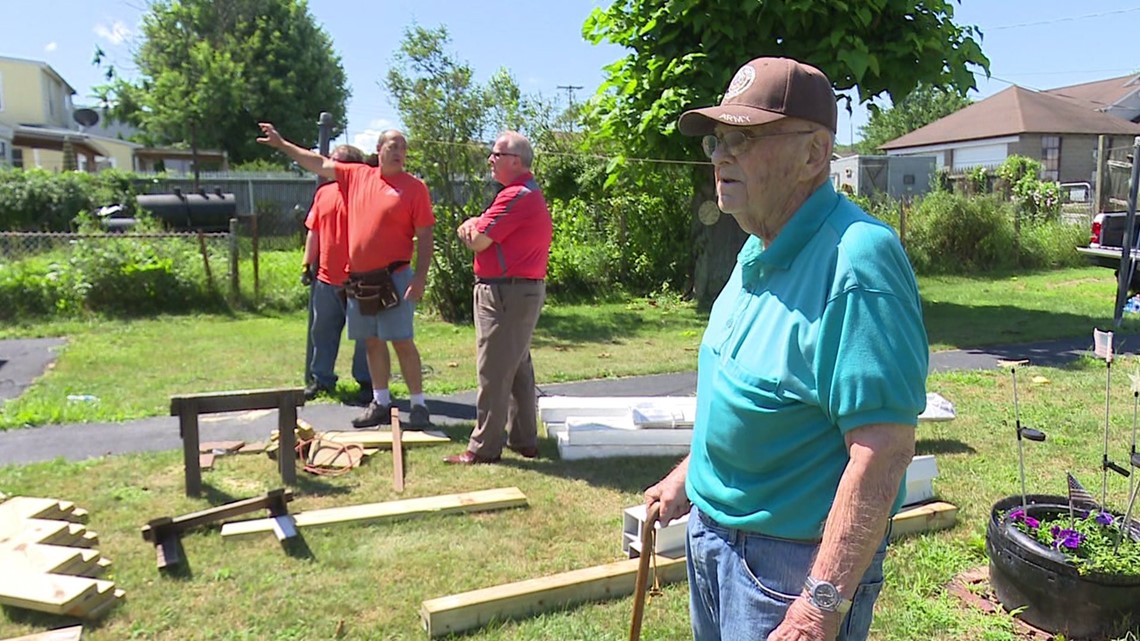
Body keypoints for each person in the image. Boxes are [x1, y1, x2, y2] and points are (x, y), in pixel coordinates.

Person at [644, 57, 928, 641]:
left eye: (744, 139)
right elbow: (748, 393)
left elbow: (883, 451)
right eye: (718, 141)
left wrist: (818, 608)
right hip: (713, 541)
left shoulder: (857, 260)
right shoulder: (757, 247)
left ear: (813, 154)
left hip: (788, 569)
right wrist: (688, 477)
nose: (721, 156)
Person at [258, 124, 435, 429]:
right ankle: (381, 402)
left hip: (395, 277)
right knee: (372, 342)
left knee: (402, 341)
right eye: (392, 146)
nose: (399, 152)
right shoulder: (358, 176)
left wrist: (419, 278)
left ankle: (419, 406)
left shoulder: (414, 188)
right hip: (361, 279)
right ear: (378, 150)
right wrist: (283, 144)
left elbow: (426, 235)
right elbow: (318, 162)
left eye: (403, 147)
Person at [443, 131, 552, 465]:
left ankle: (483, 447)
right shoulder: (520, 193)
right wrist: (477, 225)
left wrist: (471, 227)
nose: (490, 159)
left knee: (493, 368)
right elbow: (484, 232)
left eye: (496, 154)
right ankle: (523, 439)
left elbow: (478, 240)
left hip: (506, 292)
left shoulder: (516, 195)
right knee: (517, 366)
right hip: (516, 290)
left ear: (515, 161)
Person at [301, 143, 371, 402]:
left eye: (336, 161)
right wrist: (307, 263)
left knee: (366, 336)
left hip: (362, 278)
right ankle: (322, 379)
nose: (330, 165)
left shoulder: (367, 193)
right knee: (322, 332)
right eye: (330, 160)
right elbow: (314, 231)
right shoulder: (324, 193)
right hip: (326, 279)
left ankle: (368, 382)